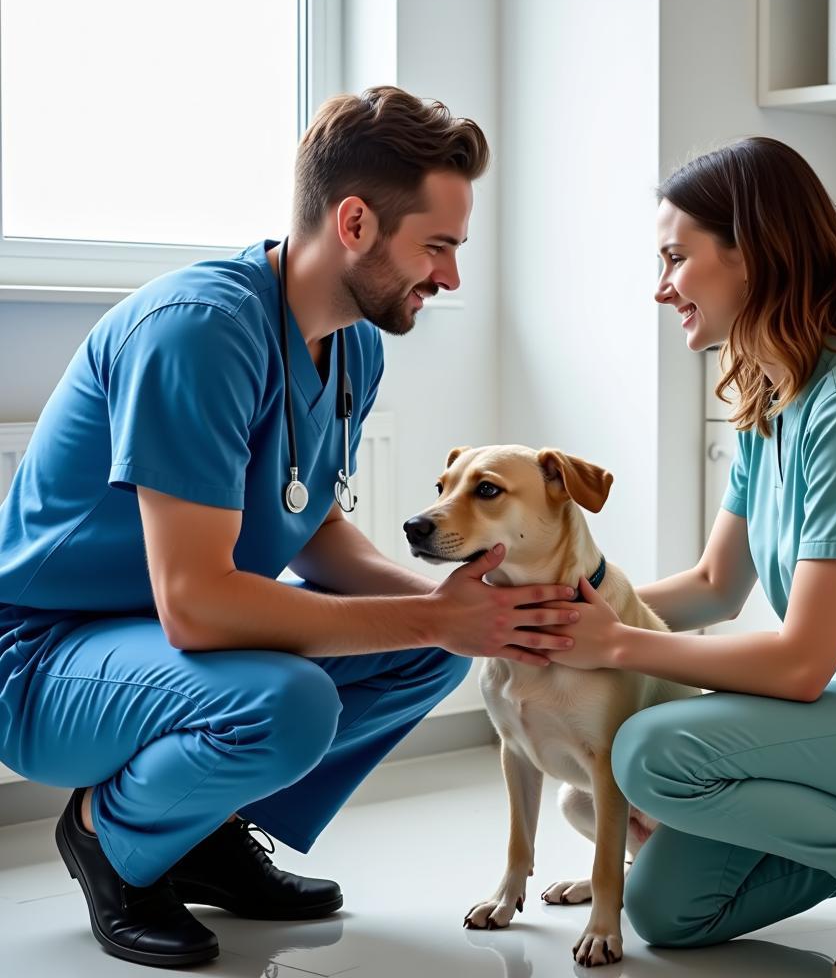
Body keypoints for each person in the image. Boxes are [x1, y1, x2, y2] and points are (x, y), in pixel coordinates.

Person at [0, 86, 581, 969]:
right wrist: (434, 613)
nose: (451, 277)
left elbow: (311, 527)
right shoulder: (198, 333)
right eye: (437, 247)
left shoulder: (356, 344)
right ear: (354, 222)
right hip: (44, 657)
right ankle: (108, 838)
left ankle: (197, 831)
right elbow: (196, 607)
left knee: (442, 643)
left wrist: (464, 606)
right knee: (294, 699)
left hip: (160, 643)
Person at [539, 136, 836, 978]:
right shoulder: (774, 397)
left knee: (653, 751)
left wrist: (613, 645)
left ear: (752, 254)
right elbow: (713, 587)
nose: (662, 288)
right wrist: (555, 613)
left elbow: (802, 664)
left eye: (676, 258)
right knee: (668, 910)